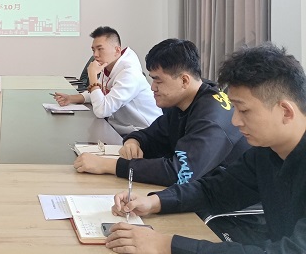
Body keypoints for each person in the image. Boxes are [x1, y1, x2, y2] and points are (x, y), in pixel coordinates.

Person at [106, 44, 306, 254]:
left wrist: (166, 245)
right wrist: (154, 202)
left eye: (244, 110)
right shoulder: (266, 152)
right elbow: (215, 190)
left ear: (286, 111)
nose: (235, 121)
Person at [73, 39, 250, 186]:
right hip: (196, 189)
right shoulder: (183, 101)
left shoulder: (211, 117)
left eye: (158, 81)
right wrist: (134, 141)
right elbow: (152, 134)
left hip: (224, 204)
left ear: (184, 80)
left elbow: (178, 173)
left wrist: (109, 166)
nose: (152, 87)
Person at [54, 26, 161, 134]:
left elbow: (102, 111)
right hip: (119, 129)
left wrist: (92, 75)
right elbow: (99, 94)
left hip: (144, 133)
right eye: (93, 50)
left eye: (100, 49)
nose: (95, 55)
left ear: (117, 50)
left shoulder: (129, 74)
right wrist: (71, 98)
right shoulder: (109, 67)